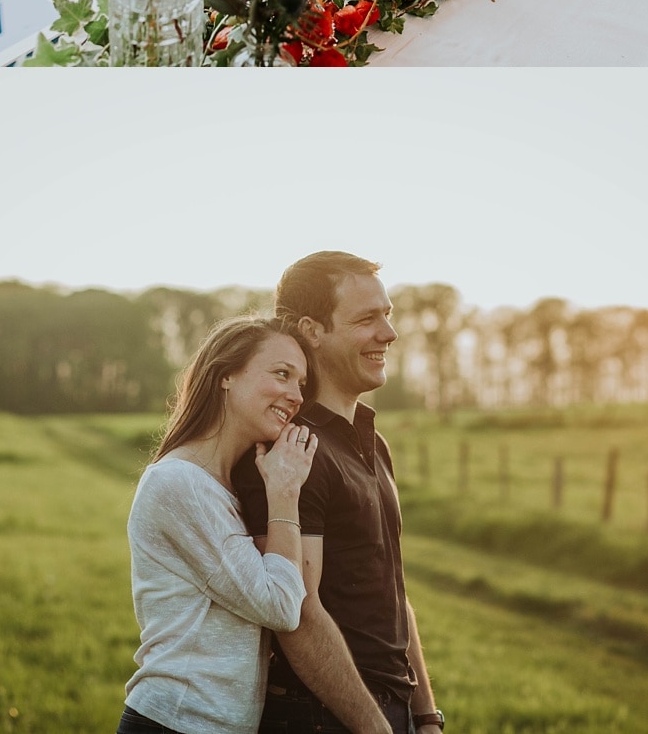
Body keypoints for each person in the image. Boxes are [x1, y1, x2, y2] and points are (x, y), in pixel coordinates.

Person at [234, 254, 441, 734]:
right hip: (325, 718)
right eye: (367, 319)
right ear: (312, 330)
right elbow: (300, 615)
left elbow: (393, 589)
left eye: (387, 315)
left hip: (393, 711)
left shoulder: (373, 441)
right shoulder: (291, 452)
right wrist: (376, 728)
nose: (388, 333)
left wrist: (426, 715)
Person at [118, 316, 315, 734]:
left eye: (301, 383)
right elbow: (281, 607)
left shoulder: (225, 486)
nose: (296, 395)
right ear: (226, 374)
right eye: (282, 374)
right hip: (175, 722)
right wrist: (285, 491)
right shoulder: (178, 483)